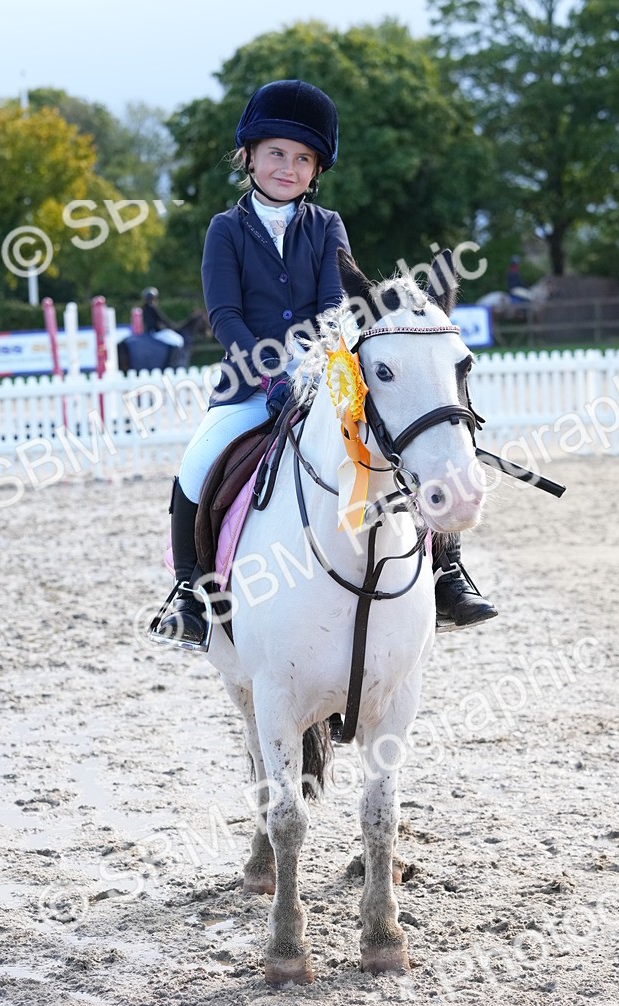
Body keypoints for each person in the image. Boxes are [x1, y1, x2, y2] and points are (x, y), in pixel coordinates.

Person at [150, 78, 495, 647]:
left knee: (404, 440)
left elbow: (336, 303)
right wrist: (272, 376)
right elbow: (225, 316)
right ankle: (188, 593)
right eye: (276, 154)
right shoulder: (226, 230)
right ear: (250, 157)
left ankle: (447, 571)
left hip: (325, 375)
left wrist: (311, 370)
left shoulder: (327, 225)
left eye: (302, 158)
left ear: (315, 170)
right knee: (197, 463)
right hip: (248, 382)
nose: (288, 167)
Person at [141, 287, 184, 351]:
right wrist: (173, 327)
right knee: (178, 340)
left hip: (148, 332)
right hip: (157, 332)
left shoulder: (143, 309)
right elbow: (162, 319)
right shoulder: (153, 308)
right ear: (153, 298)